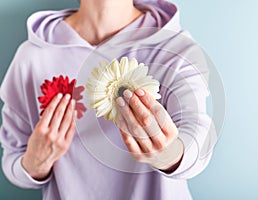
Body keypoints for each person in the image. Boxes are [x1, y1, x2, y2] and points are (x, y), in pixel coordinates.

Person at [0, 0, 216, 199]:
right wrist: (34, 164)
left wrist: (170, 155)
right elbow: (12, 161)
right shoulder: (32, 57)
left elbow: (197, 136)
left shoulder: (176, 49)